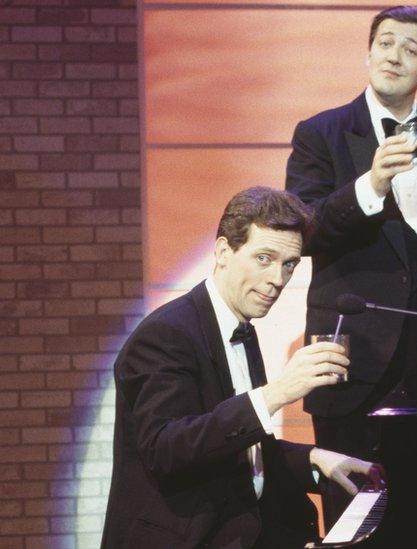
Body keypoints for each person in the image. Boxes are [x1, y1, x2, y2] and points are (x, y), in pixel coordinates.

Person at [285, 5, 417, 525]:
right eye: (386, 43)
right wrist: (369, 185)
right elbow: (303, 231)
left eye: (411, 49)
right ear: (369, 51)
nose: (394, 56)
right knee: (359, 522)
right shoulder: (321, 133)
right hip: (354, 364)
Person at [102, 187, 378, 549]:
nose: (278, 279)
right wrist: (277, 392)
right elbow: (167, 450)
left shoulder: (242, 329)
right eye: (264, 258)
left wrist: (314, 458)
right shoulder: (165, 334)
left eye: (289, 263)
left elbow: (242, 447)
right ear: (222, 252)